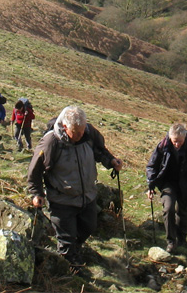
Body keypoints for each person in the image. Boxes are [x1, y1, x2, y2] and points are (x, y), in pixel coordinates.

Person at [27, 105, 123, 267]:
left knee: (89, 227)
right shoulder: (51, 142)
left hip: (87, 196)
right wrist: (37, 193)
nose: (80, 135)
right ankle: (71, 269)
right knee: (67, 237)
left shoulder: (88, 133)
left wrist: (111, 161)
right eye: (76, 132)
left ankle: (73, 251)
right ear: (65, 127)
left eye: (82, 130)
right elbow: (35, 169)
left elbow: (99, 151)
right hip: (62, 199)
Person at [146, 123, 187, 253]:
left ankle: (181, 239)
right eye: (175, 141)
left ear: (185, 138)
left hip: (186, 183)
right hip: (167, 183)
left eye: (180, 141)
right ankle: (171, 241)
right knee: (168, 208)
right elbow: (152, 166)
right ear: (170, 138)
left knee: (183, 212)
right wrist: (151, 186)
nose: (177, 144)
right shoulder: (163, 145)